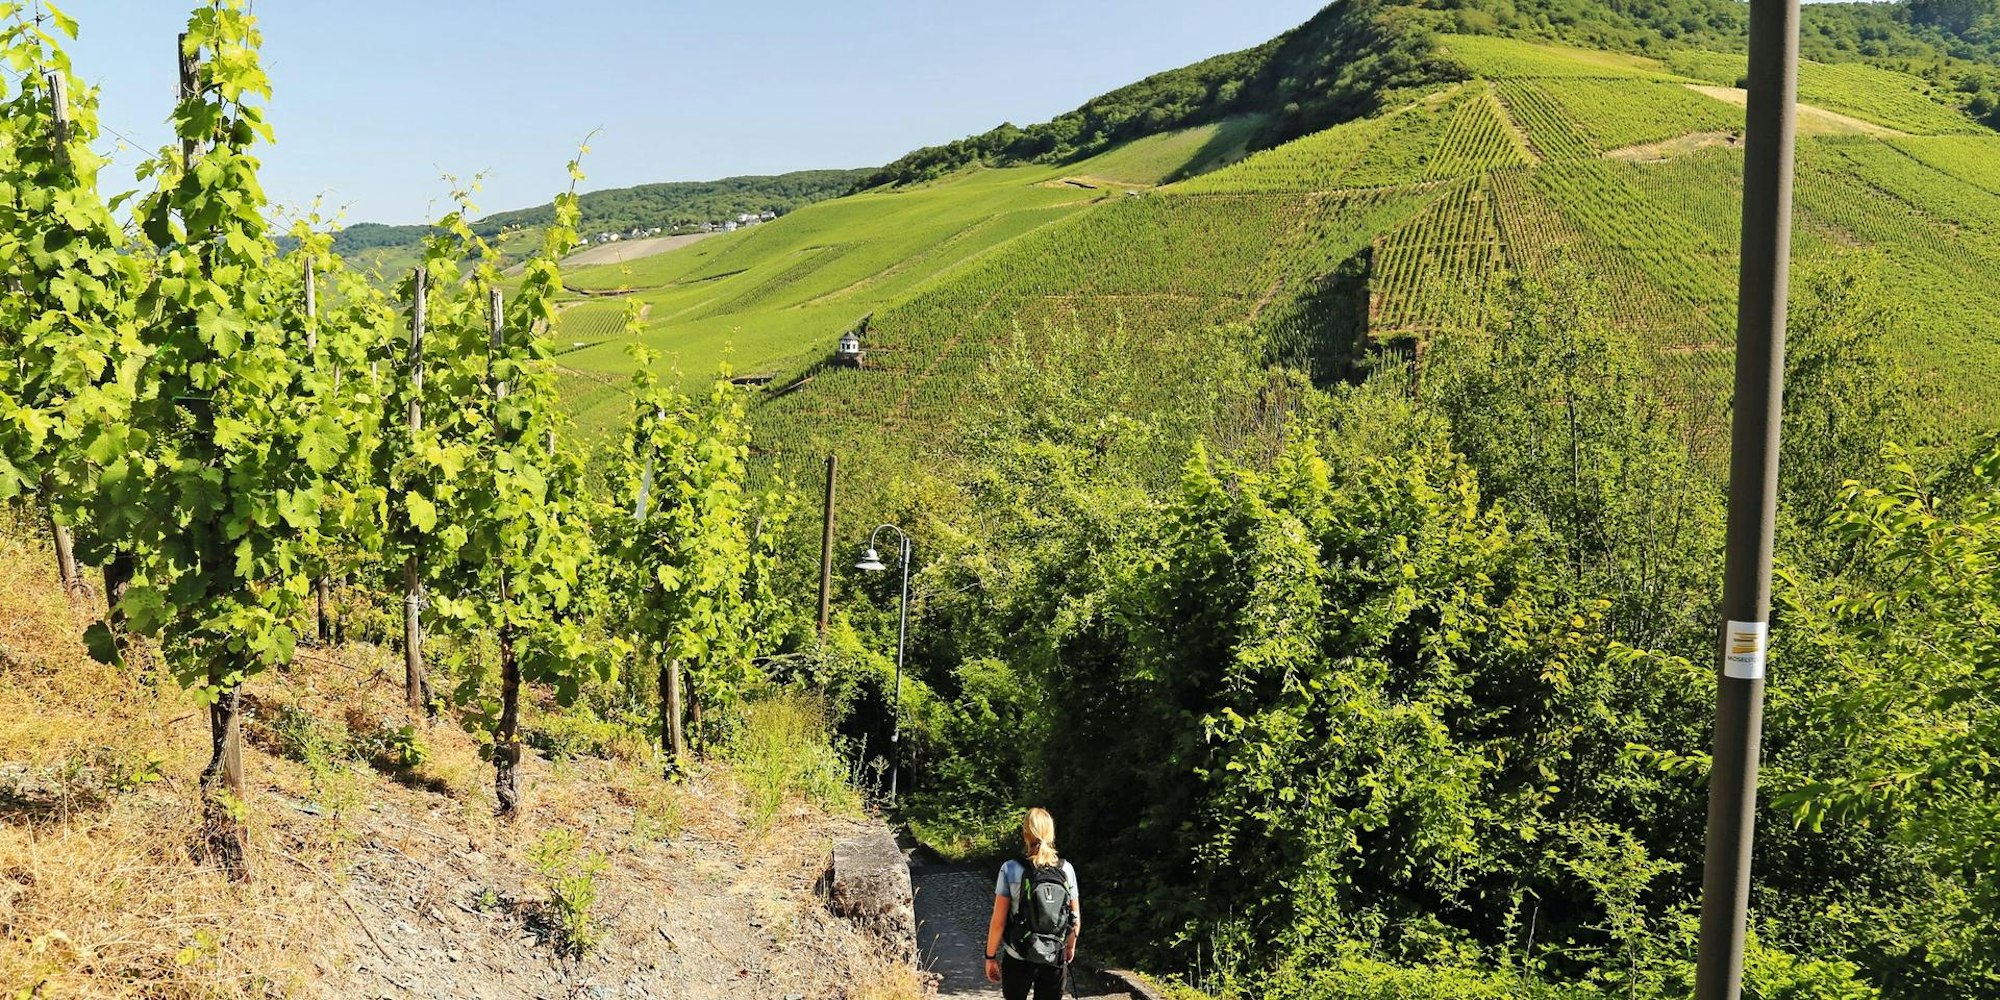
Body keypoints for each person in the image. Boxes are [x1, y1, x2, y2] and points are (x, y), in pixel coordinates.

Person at [984, 807, 1080, 1000]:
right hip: (1054, 955)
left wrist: (990, 956)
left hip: (1018, 955)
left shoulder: (1010, 869)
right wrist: (1070, 947)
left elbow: (998, 922)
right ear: (1051, 833)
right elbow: (1075, 918)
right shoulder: (1066, 869)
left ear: (1025, 834)